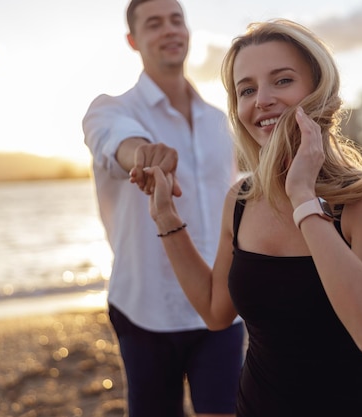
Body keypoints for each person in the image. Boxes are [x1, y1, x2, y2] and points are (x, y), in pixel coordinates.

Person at [143, 19, 362, 416]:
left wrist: (303, 198)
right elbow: (217, 312)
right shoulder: (241, 200)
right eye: (246, 90)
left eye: (282, 81)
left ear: (317, 90)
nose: (262, 100)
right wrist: (165, 217)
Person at [82, 0, 244, 416]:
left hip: (222, 305)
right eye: (154, 23)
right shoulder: (111, 109)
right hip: (145, 306)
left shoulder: (220, 120)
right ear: (133, 40)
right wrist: (144, 155)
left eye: (177, 20)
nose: (170, 30)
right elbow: (116, 143)